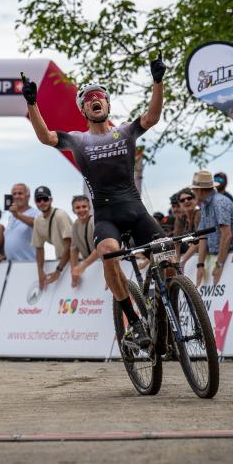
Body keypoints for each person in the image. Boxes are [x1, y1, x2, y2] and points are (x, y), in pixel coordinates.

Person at [21, 54, 166, 348]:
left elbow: (151, 117)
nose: (94, 100)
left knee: (169, 259)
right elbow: (46, 137)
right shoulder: (78, 140)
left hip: (136, 210)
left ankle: (168, 310)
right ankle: (135, 324)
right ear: (84, 110)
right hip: (107, 215)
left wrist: (158, 81)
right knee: (108, 253)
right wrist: (32, 104)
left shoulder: (124, 131)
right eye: (88, 99)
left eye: (100, 97)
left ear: (108, 106)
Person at [191, 170, 233, 287]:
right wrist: (200, 265)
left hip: (232, 258)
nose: (193, 192)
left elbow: (227, 235)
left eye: (193, 190)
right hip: (222, 256)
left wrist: (219, 265)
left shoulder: (219, 203)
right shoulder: (205, 205)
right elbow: (203, 237)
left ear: (199, 190)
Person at [30, 186, 73, 289]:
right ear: (35, 202)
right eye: (38, 200)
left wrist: (58, 270)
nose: (42, 202)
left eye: (45, 199)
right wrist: (40, 272)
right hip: (62, 262)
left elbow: (70, 245)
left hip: (76, 260)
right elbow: (39, 248)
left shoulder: (60, 215)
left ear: (51, 200)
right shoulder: (38, 220)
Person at [4, 183, 39, 261]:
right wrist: (3, 257)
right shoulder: (11, 216)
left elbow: (37, 224)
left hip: (29, 263)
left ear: (28, 196)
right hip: (11, 265)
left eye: (20, 193)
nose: (17, 196)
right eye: (14, 194)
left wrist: (17, 215)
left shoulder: (36, 213)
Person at [69, 195, 97, 288]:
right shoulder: (75, 226)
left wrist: (83, 266)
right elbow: (73, 250)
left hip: (103, 264)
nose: (81, 210)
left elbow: (100, 248)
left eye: (84, 206)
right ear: (73, 210)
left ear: (89, 208)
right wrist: (74, 272)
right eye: (77, 207)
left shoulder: (95, 222)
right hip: (90, 265)